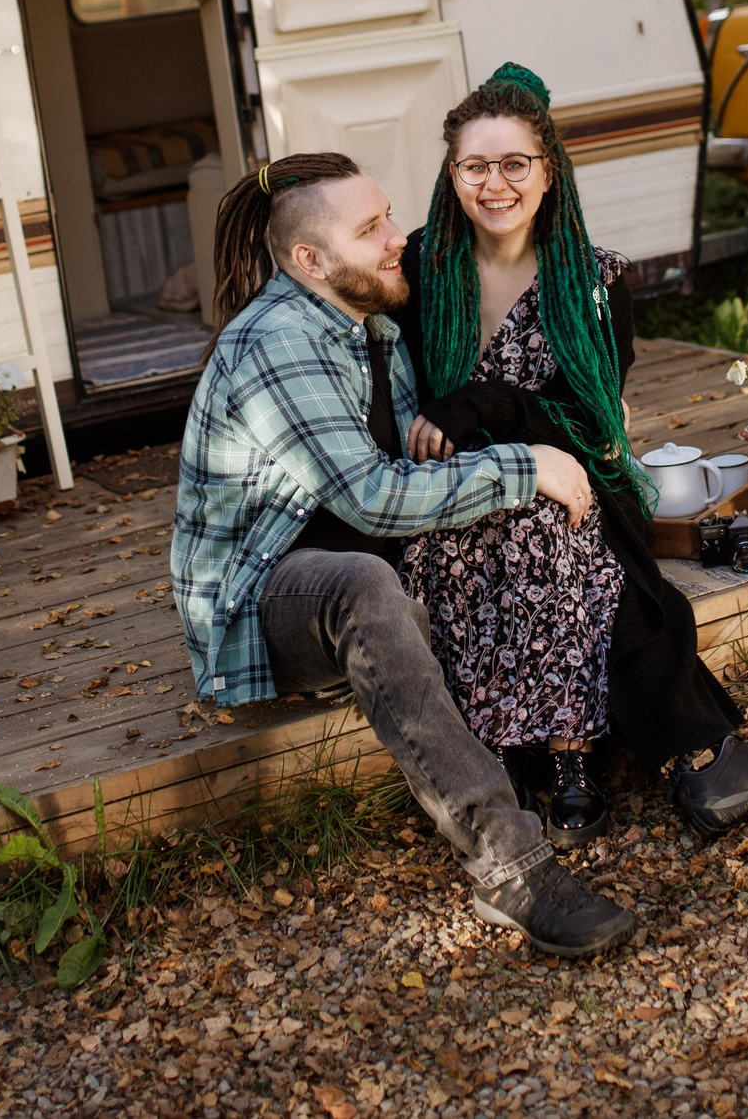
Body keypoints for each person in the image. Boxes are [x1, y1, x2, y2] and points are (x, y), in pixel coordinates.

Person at [169, 150, 636, 959]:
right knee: (365, 582)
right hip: (261, 598)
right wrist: (527, 464)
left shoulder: (375, 325)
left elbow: (430, 475)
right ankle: (508, 863)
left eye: (388, 214)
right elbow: (374, 499)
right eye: (372, 227)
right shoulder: (277, 342)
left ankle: (600, 728)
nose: (398, 238)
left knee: (503, 522)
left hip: (368, 566)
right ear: (309, 260)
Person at [395, 63, 748, 843]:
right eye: (476, 165)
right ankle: (689, 761)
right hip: (446, 505)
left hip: (573, 491)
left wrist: (487, 402)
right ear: (451, 173)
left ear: (549, 173)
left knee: (562, 532)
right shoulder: (418, 270)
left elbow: (591, 428)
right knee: (581, 557)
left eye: (515, 164)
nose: (495, 183)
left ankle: (546, 769)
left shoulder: (595, 283)